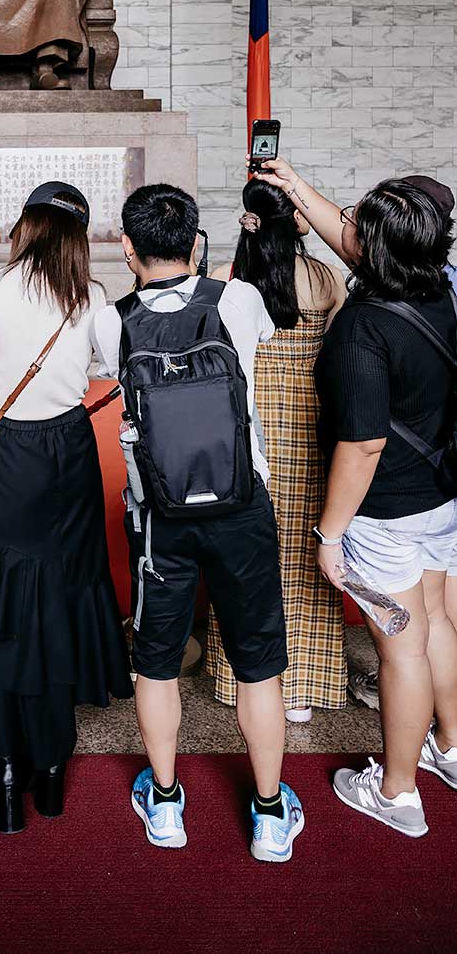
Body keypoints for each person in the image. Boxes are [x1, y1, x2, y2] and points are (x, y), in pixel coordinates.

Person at [91, 183, 305, 863]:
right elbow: (267, 331)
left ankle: (165, 802)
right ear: (195, 242)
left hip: (159, 516)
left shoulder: (110, 319)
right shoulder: (237, 300)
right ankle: (270, 814)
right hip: (242, 506)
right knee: (258, 665)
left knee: (155, 665)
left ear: (126, 247)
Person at [259, 159, 457, 838]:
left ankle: (397, 791)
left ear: (375, 248)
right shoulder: (441, 287)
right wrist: (295, 186)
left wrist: (330, 534)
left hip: (386, 512)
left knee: (401, 647)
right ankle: (450, 747)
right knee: (434, 622)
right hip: (438, 496)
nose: (342, 225)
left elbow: (362, 444)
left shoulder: (362, 327)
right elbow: (358, 237)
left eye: (354, 223)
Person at [0, 182, 132, 833]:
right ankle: (50, 768)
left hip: (12, 451)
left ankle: (8, 763)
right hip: (72, 452)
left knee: (2, 607)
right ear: (78, 237)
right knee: (58, 601)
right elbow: (113, 364)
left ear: (25, 225)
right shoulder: (93, 297)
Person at [205, 179, 347, 722]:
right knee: (306, 552)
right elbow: (335, 354)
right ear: (299, 221)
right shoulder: (325, 278)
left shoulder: (226, 282)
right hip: (307, 424)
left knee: (243, 552)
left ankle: (237, 676)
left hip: (245, 425)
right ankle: (303, 687)